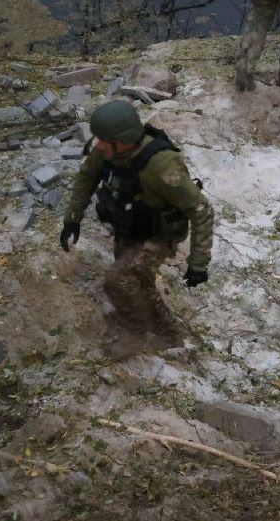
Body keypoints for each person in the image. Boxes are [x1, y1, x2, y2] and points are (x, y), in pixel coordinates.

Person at [59, 100, 214, 357]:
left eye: (104, 141)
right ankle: (169, 334)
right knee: (138, 281)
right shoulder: (109, 150)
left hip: (158, 234)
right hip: (129, 225)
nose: (98, 146)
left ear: (123, 140)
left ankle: (136, 332)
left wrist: (198, 263)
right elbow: (87, 176)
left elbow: (201, 211)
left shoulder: (161, 166)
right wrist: (72, 218)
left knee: (117, 281)